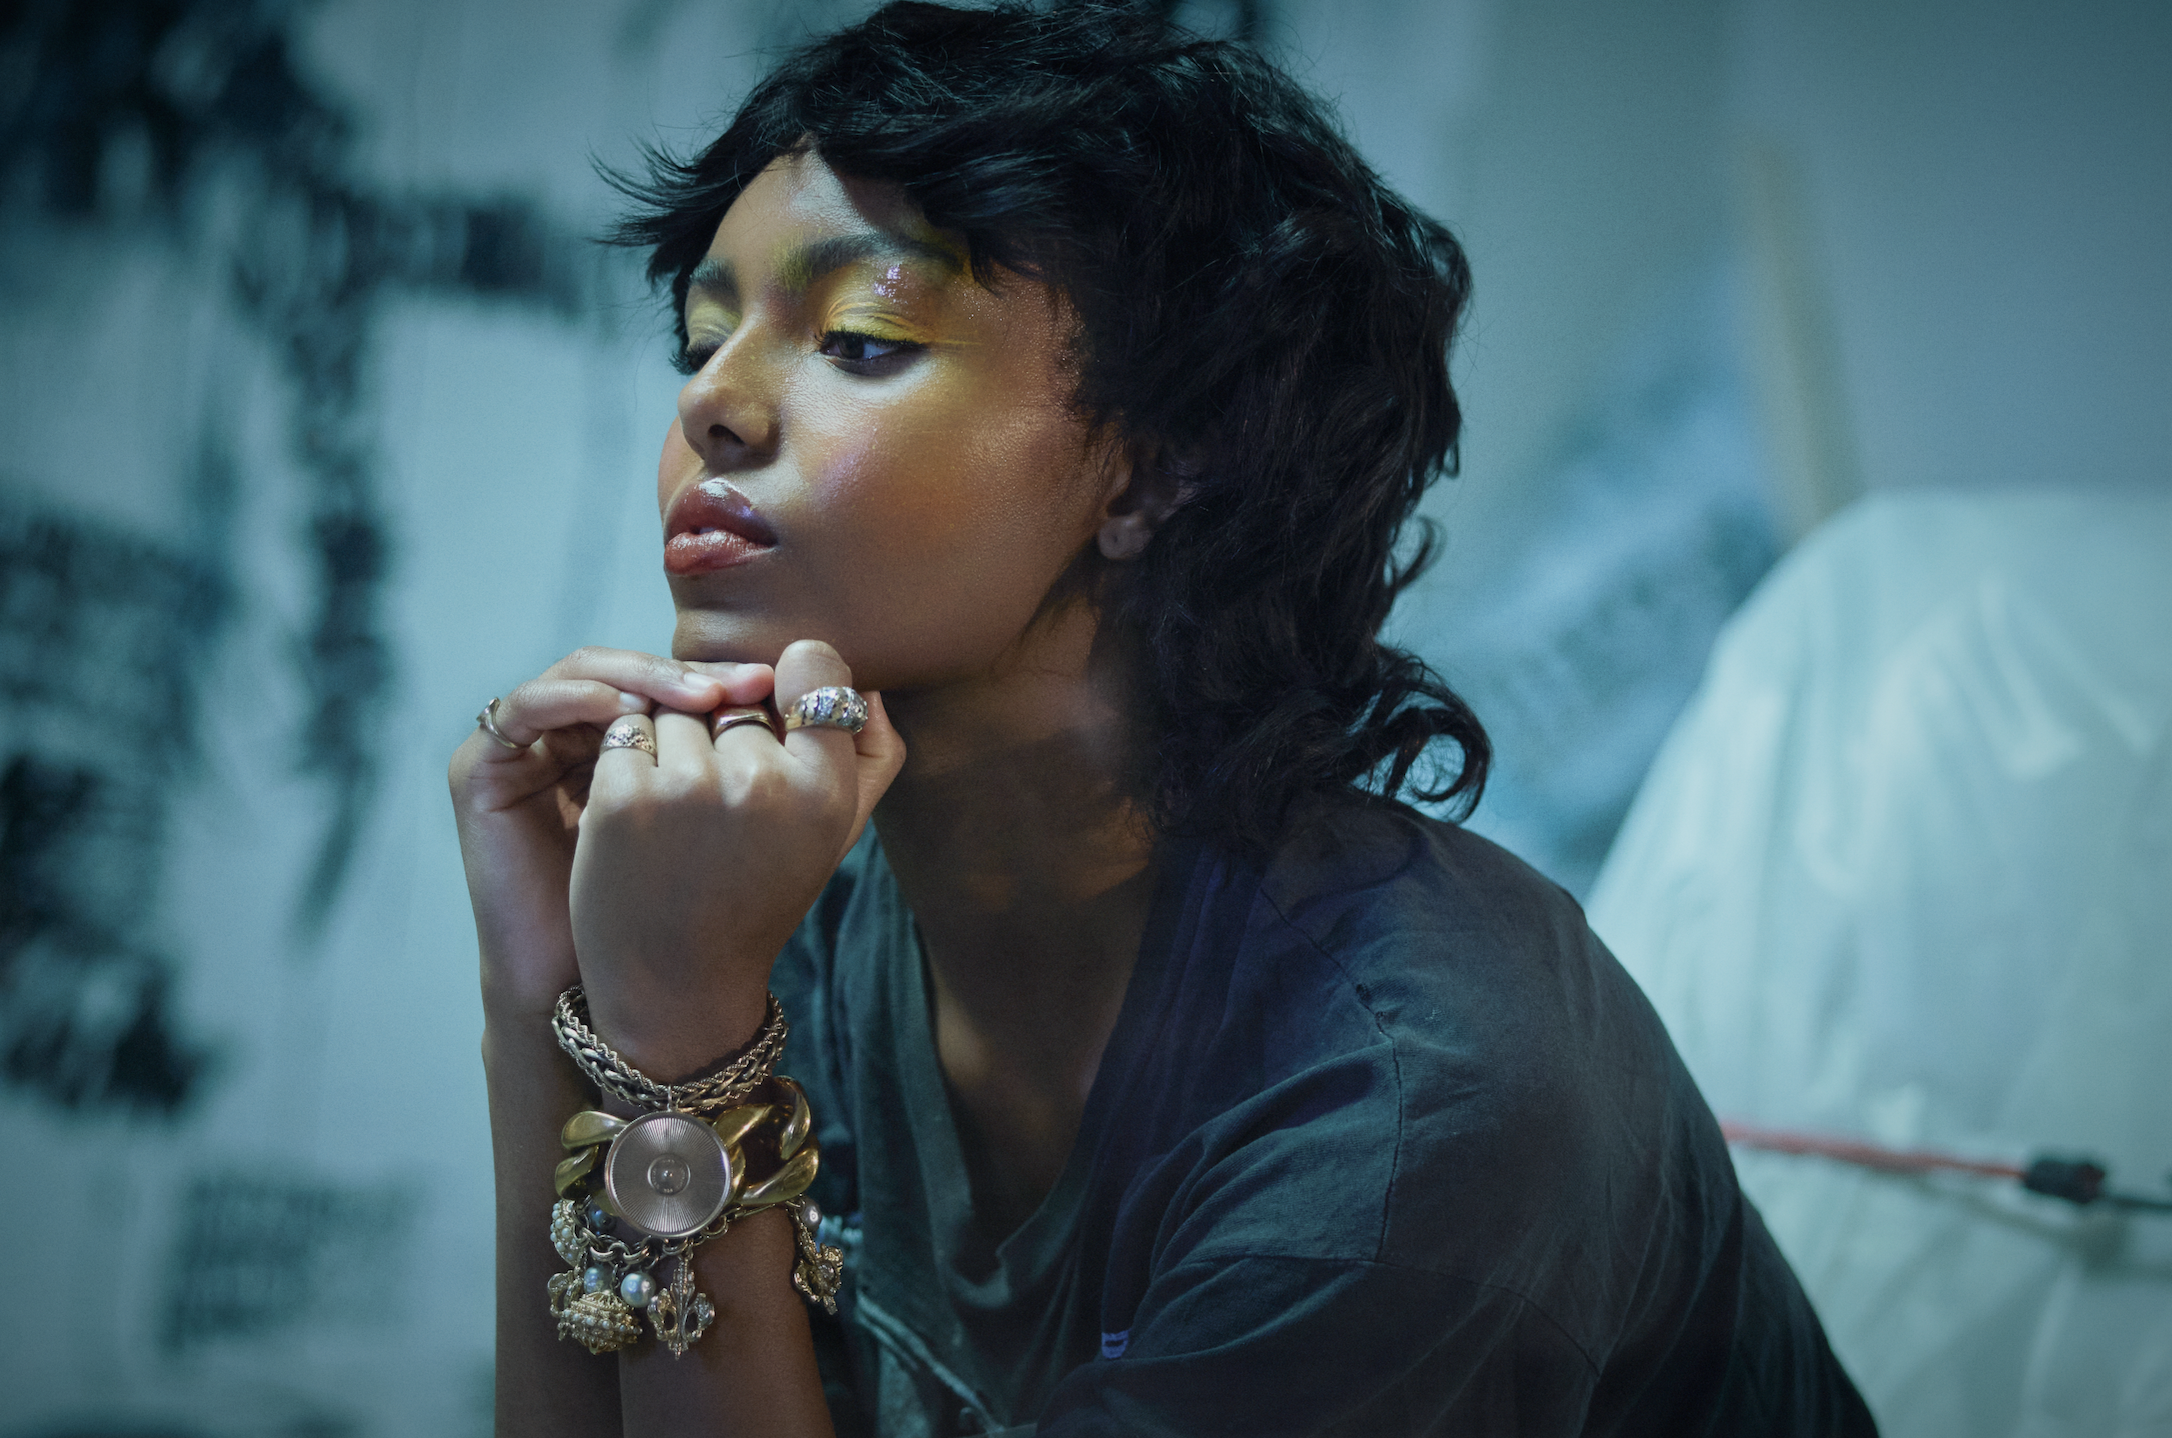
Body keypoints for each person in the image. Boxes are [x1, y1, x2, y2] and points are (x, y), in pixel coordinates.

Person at [448, 3, 1877, 1434]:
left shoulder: (1410, 1100)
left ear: (1156, 470)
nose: (714, 402)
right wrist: (550, 1003)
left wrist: (680, 1041)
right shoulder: (792, 916)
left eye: (861, 337)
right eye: (702, 338)